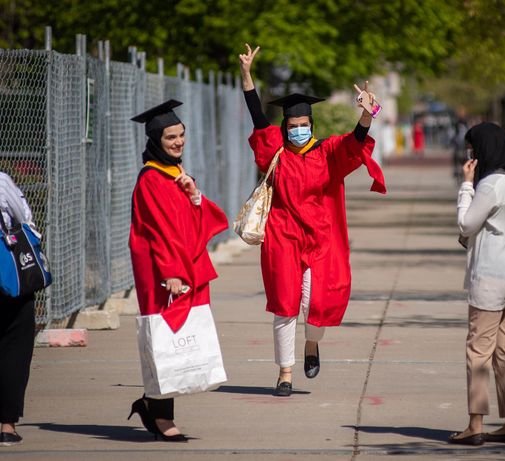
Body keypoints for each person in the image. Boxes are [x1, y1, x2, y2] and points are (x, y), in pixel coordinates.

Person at [238, 44, 386, 396]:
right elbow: (259, 121)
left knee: (314, 304)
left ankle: (311, 344)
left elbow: (355, 143)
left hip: (321, 239)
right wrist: (247, 77)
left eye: (304, 125)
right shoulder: (276, 153)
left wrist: (367, 114)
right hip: (283, 238)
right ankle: (285, 373)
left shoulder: (328, 152)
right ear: (285, 127)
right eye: (292, 126)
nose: (298, 131)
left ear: (311, 125)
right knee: (285, 305)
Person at [128, 100, 228, 441]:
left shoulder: (177, 175)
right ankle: (161, 416)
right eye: (171, 136)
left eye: (182, 135)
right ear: (156, 139)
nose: (178, 141)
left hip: (186, 267)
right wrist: (171, 272)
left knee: (177, 340)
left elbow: (198, 223)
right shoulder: (152, 179)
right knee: (164, 337)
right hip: (163, 272)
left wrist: (195, 195)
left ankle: (151, 405)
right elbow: (160, 230)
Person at [449, 122, 505, 446]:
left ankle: (475, 425)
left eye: (472, 149)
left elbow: (466, 222)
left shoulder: (489, 185)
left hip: (492, 278)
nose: (470, 156)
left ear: (483, 149)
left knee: (478, 350)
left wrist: (465, 185)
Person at [0, 172, 41, 446]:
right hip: (6, 277)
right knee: (15, 345)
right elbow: (24, 218)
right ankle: (6, 424)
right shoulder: (1, 181)